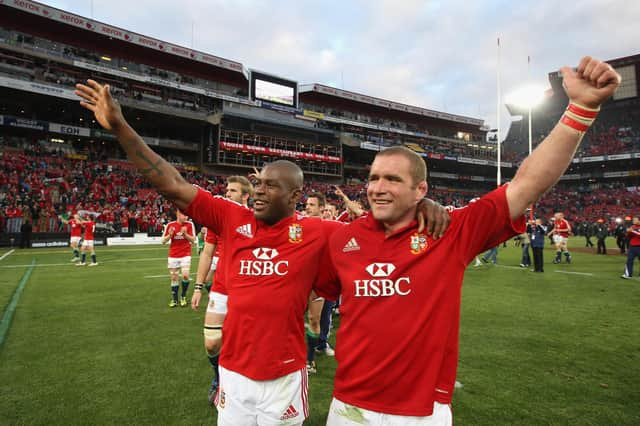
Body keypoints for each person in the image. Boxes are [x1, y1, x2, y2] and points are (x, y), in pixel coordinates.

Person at [75, 78, 449, 425]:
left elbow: (376, 230)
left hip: (284, 375)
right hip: (233, 372)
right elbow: (172, 184)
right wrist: (121, 126)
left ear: (295, 196)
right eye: (257, 183)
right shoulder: (231, 218)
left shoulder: (319, 232)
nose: (258, 191)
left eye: (271, 186)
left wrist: (422, 204)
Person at [316, 57, 620, 425]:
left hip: (420, 412)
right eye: (374, 178)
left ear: (420, 190)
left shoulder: (450, 231)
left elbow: (524, 186)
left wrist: (581, 109)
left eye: (393, 180)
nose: (378, 188)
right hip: (348, 405)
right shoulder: (342, 238)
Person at [191, 175, 253, 405]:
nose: (227, 194)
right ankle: (218, 379)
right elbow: (207, 253)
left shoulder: (257, 218)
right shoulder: (218, 218)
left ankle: (239, 386)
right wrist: (198, 287)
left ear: (246, 196)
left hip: (249, 290)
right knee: (212, 342)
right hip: (222, 287)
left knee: (245, 344)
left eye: (233, 191)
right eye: (227, 190)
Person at [305, 192, 337, 363]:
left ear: (321, 208)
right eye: (307, 204)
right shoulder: (297, 225)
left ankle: (310, 359)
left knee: (315, 319)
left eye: (312, 205)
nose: (307, 208)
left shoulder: (331, 227)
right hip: (299, 281)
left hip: (319, 282)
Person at [161, 209, 196, 307]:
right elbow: (163, 241)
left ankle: (183, 296)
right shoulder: (170, 225)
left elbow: (193, 240)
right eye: (184, 215)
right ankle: (175, 299)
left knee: (185, 275)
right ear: (178, 214)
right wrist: (170, 235)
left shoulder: (189, 224)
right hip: (173, 255)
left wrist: (185, 234)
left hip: (185, 254)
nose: (186, 217)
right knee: (174, 277)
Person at [621, 215, 640, 279]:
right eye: (633, 220)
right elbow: (629, 236)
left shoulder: (633, 228)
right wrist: (628, 232)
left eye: (635, 220)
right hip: (632, 246)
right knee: (629, 260)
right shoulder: (632, 226)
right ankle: (628, 274)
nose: (633, 221)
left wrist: (632, 231)